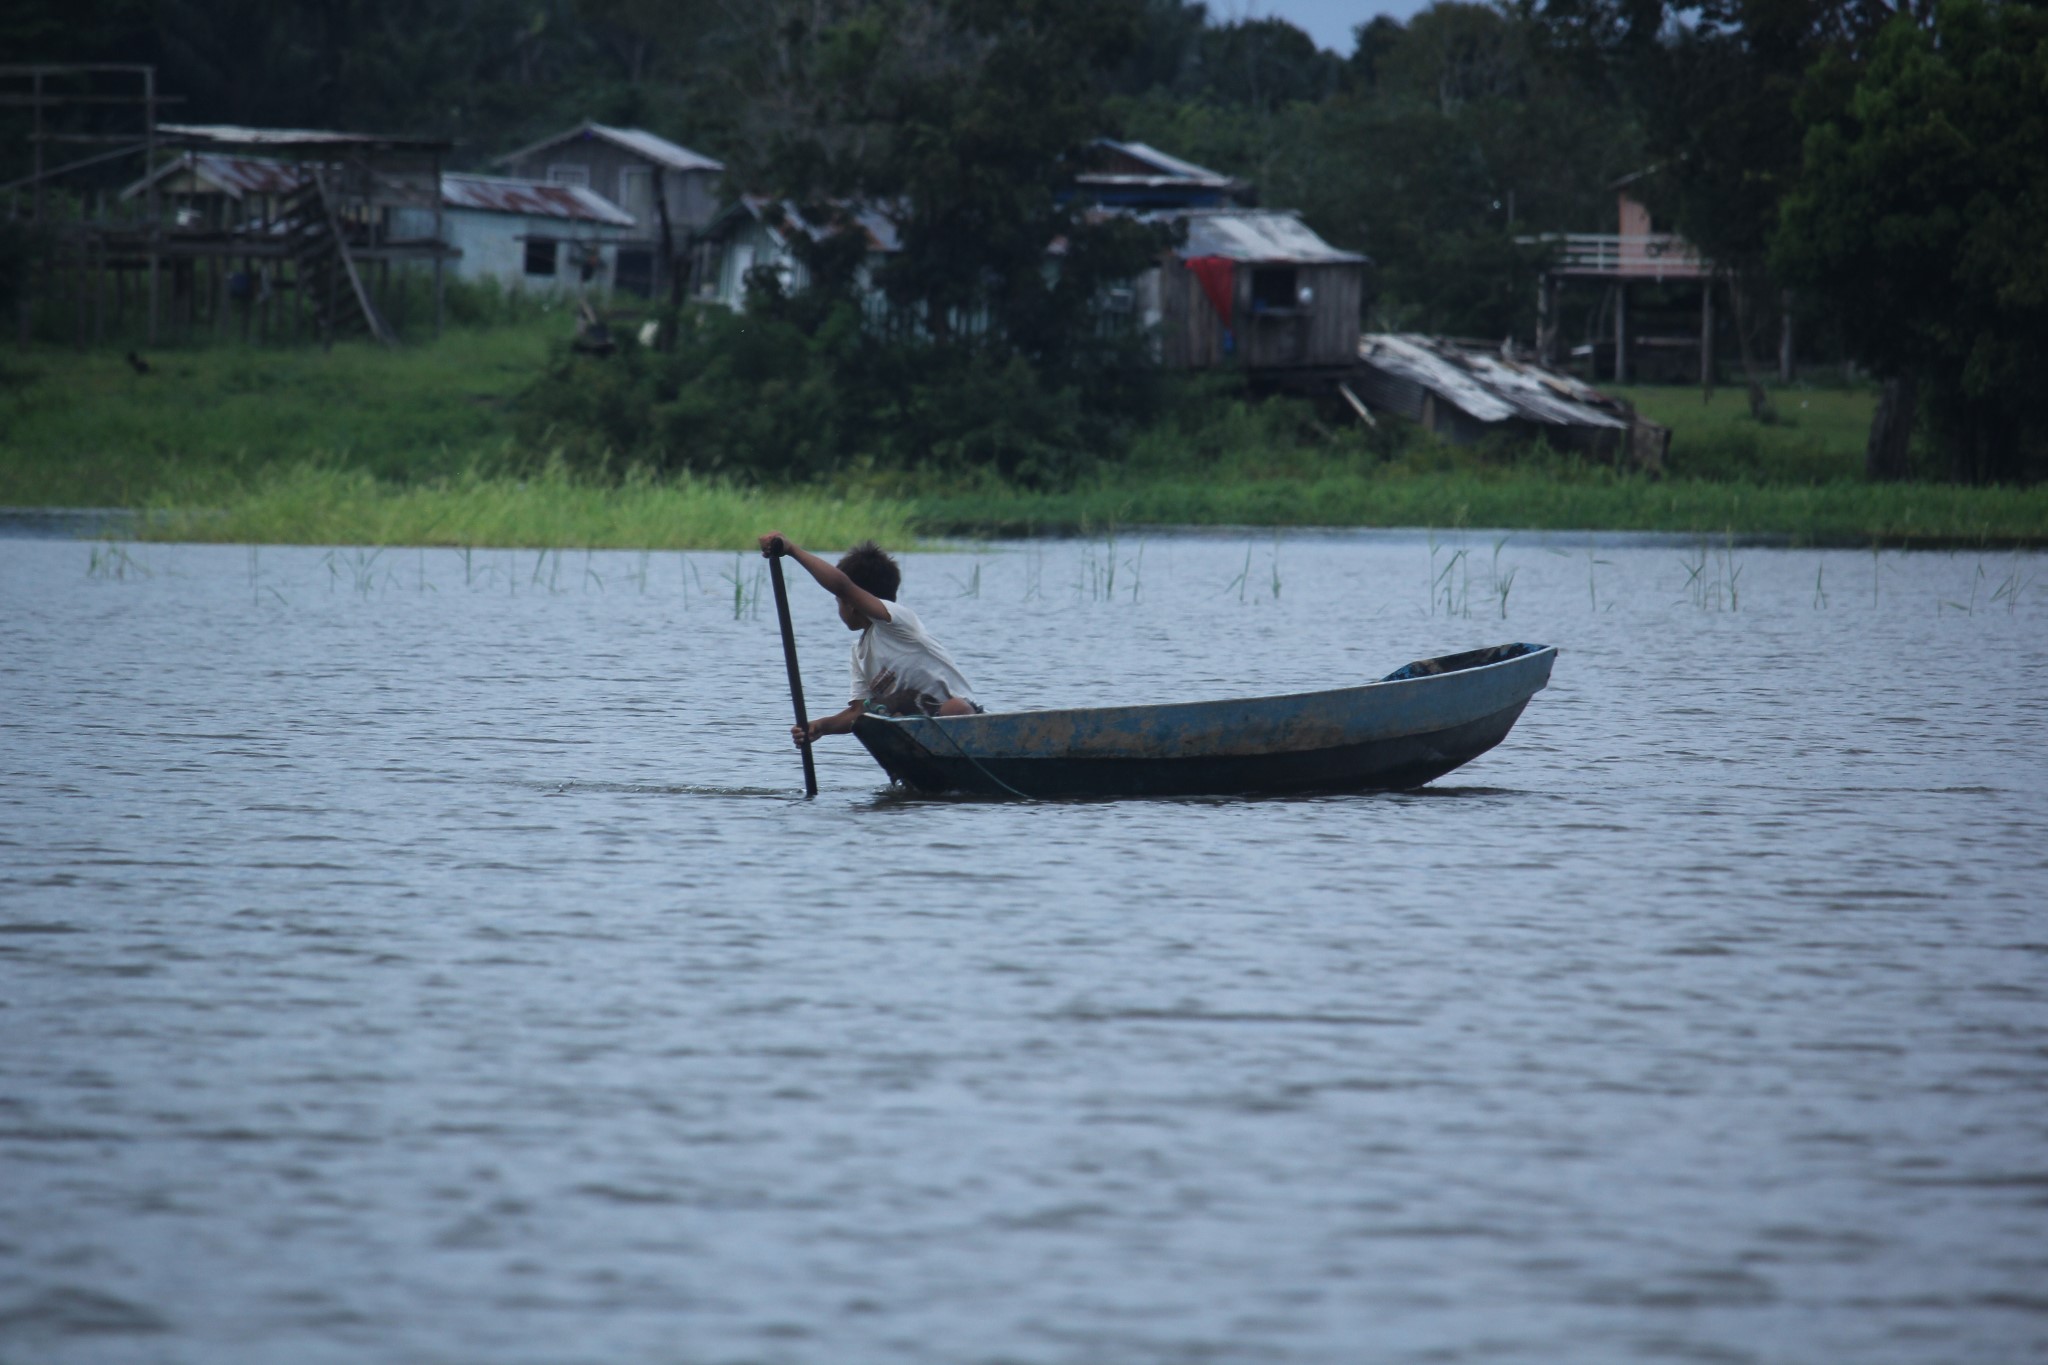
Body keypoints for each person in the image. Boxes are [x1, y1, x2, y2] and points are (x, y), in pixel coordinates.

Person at [758, 533, 979, 750]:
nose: (839, 606)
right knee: (881, 713)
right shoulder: (860, 652)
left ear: (852, 604)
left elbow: (843, 587)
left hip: (962, 724)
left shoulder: (897, 622)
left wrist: (793, 550)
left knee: (955, 707)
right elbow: (858, 713)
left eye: (839, 601)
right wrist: (820, 727)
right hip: (917, 732)